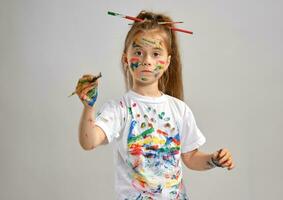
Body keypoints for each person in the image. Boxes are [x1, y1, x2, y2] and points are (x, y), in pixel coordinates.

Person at [75, 10, 235, 200]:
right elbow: (88, 141)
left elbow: (191, 158)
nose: (147, 61)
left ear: (167, 61)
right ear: (126, 58)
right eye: (138, 52)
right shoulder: (119, 109)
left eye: (156, 53)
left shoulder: (179, 109)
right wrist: (88, 107)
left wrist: (213, 160)